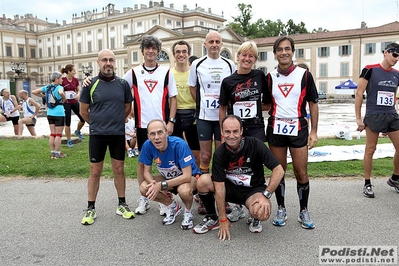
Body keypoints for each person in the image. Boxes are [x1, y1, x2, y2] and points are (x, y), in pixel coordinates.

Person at [192, 115, 284, 239]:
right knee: (202, 181)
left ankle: (254, 216)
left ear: (241, 131)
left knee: (263, 213)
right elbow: (219, 188)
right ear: (222, 133)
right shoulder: (219, 153)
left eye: (235, 131)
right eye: (227, 132)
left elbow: (279, 170)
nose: (231, 135)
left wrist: (266, 195)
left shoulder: (255, 144)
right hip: (231, 189)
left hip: (253, 191)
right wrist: (223, 219)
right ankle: (213, 217)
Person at [264, 36, 319, 229]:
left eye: (287, 49)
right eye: (280, 49)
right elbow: (265, 103)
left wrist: (314, 131)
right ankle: (281, 208)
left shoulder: (304, 75)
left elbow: (313, 102)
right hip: (275, 128)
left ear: (293, 52)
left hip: (298, 127)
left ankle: (303, 210)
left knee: (300, 171)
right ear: (275, 53)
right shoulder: (270, 77)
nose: (284, 52)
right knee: (279, 171)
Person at [121, 35, 178, 216]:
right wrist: (90, 80)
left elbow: (173, 98)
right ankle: (144, 197)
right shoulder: (133, 72)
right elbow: (117, 86)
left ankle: (162, 197)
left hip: (162, 126)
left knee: (164, 163)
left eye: (154, 48)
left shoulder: (167, 72)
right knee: (142, 164)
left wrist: (171, 121)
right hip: (142, 125)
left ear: (158, 51)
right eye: (147, 48)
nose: (151, 51)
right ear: (143, 51)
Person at [79, 49, 135, 225]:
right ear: (98, 63)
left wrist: (117, 121)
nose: (108, 63)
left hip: (117, 134)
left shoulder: (122, 84)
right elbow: (83, 111)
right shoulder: (90, 84)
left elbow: (127, 108)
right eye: (104, 60)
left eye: (111, 59)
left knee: (119, 170)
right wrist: (96, 124)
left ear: (115, 62)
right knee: (95, 171)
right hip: (98, 135)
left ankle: (122, 204)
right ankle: (90, 208)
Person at [219, 41, 269, 222]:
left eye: (251, 56)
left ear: (255, 59)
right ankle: (239, 205)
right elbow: (223, 108)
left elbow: (268, 102)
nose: (247, 58)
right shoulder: (228, 81)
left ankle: (255, 206)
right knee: (234, 165)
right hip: (235, 131)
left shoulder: (260, 76)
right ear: (238, 57)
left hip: (255, 128)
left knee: (255, 166)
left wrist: (253, 106)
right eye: (244, 55)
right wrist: (222, 132)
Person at [188, 30, 236, 175]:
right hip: (204, 118)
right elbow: (192, 88)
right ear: (205, 44)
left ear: (221, 44)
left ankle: (222, 186)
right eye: (211, 42)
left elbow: (232, 88)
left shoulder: (229, 64)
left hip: (223, 118)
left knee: (222, 155)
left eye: (217, 42)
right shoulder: (197, 64)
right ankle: (205, 191)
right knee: (205, 156)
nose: (214, 45)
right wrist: (203, 102)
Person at [138, 119, 200, 229]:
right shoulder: (147, 145)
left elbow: (186, 176)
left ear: (167, 132)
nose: (156, 137)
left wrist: (161, 185)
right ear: (148, 136)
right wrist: (152, 183)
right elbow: (146, 171)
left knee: (184, 190)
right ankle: (172, 206)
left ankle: (188, 212)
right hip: (167, 177)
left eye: (160, 132)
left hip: (188, 178)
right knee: (144, 187)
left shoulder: (179, 144)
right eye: (152, 134)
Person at [355, 42, 399, 197]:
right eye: (394, 55)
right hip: (374, 115)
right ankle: (367, 183)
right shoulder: (370, 70)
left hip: (391, 115)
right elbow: (359, 93)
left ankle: (395, 178)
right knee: (370, 149)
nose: (396, 58)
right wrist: (359, 118)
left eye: (398, 56)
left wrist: (390, 120)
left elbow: (393, 95)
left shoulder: (396, 74)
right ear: (386, 53)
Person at [170, 40, 200, 165]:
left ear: (188, 54)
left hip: (194, 114)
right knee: (177, 152)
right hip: (176, 114)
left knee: (196, 154)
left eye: (184, 51)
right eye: (178, 52)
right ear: (174, 54)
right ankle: (180, 180)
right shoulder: (169, 73)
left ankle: (196, 179)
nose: (181, 54)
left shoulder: (195, 72)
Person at [32, 72, 67, 159]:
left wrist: (44, 96)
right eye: (61, 78)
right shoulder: (59, 87)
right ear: (56, 79)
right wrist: (64, 98)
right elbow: (61, 92)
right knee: (58, 135)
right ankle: (58, 153)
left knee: (52, 134)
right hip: (59, 113)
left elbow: (34, 91)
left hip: (49, 113)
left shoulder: (47, 87)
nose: (62, 80)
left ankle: (52, 154)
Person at [61, 64, 86, 147]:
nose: (75, 72)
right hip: (66, 103)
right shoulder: (63, 80)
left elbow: (78, 90)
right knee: (67, 122)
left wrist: (78, 94)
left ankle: (78, 131)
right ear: (69, 71)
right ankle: (69, 140)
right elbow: (60, 90)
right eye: (74, 71)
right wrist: (63, 94)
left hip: (74, 102)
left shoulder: (75, 80)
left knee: (83, 118)